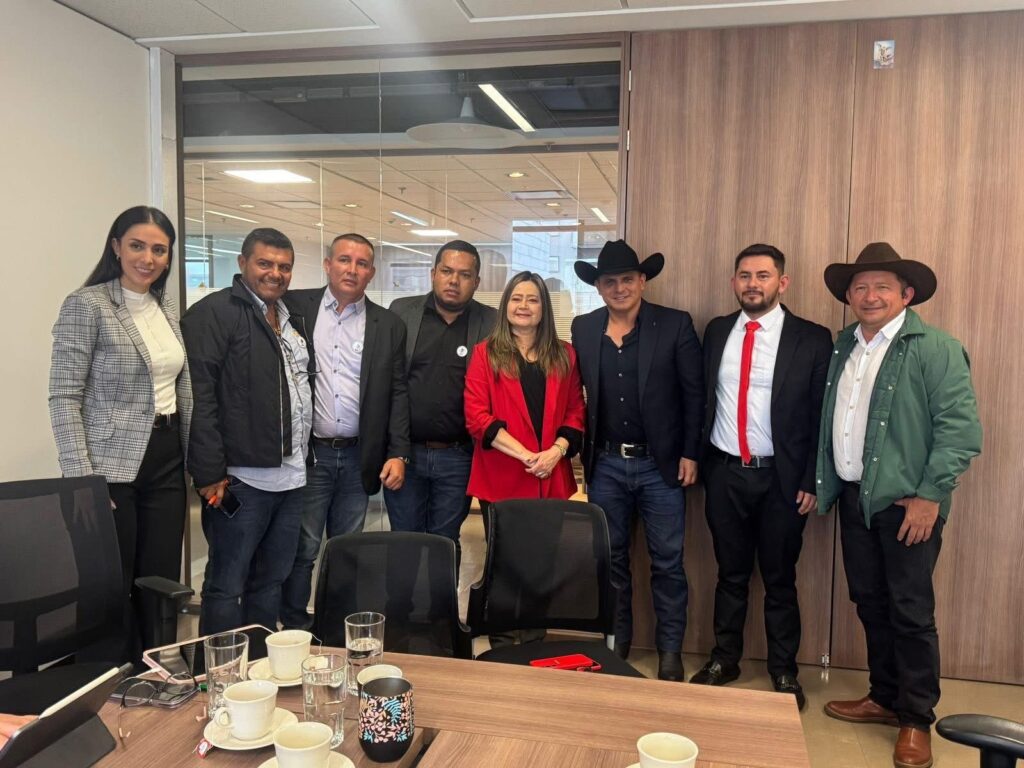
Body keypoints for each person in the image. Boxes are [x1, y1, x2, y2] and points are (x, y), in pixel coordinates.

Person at [817, 242, 981, 768]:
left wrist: (930, 496)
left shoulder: (936, 348)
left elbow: (960, 431)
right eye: (860, 287)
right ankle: (884, 696)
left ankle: (915, 719)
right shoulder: (844, 345)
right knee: (869, 602)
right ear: (849, 296)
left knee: (910, 611)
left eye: (882, 287)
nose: (870, 296)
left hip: (909, 505)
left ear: (906, 295)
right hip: (854, 498)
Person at [690, 244, 832, 709]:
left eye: (763, 276)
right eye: (745, 275)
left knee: (779, 578)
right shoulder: (717, 331)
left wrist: (811, 479)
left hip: (782, 481)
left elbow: (821, 416)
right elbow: (702, 399)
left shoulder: (811, 338)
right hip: (725, 473)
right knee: (729, 574)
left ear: (782, 283)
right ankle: (724, 659)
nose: (753, 284)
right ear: (734, 282)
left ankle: (784, 670)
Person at [49, 206, 192, 662]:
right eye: (137, 246)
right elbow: (64, 395)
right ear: (116, 247)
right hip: (108, 467)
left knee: (159, 579)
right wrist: (82, 478)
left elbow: (177, 386)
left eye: (159, 250)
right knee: (111, 583)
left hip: (166, 456)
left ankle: (154, 671)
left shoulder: (165, 307)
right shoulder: (87, 304)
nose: (147, 258)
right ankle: (109, 680)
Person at [570, 239, 703, 682]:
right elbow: (575, 394)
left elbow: (695, 395)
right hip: (606, 465)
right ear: (599, 287)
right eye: (610, 281)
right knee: (611, 562)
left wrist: (690, 452)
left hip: (660, 467)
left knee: (667, 563)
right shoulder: (584, 328)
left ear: (643, 281)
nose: (620, 288)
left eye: (627, 279)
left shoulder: (675, 324)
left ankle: (670, 652)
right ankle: (618, 643)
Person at [181, 227, 313, 635]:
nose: (276, 273)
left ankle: (259, 663)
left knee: (271, 580)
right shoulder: (213, 314)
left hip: (291, 478)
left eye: (284, 266)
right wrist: (208, 472)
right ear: (242, 263)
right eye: (265, 263)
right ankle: (218, 669)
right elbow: (199, 397)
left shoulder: (289, 316)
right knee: (227, 584)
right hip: (241, 480)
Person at [279, 233, 410, 630]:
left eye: (361, 263)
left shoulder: (388, 325)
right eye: (344, 260)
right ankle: (295, 627)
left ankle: (337, 628)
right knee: (302, 547)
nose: (352, 269)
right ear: (327, 264)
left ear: (371, 272)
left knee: (347, 549)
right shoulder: (294, 308)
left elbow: (397, 391)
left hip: (359, 456)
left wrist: (398, 452)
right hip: (310, 455)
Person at [464, 271, 585, 646]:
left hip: (551, 476)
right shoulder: (485, 354)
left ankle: (534, 639)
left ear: (544, 308)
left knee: (543, 564)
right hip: (503, 477)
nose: (524, 306)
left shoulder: (564, 354)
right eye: (517, 298)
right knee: (504, 563)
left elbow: (575, 411)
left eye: (532, 299)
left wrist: (554, 453)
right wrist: (528, 456)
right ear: (505, 305)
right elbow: (476, 416)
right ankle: (501, 643)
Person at [386, 240, 497, 565]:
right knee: (404, 541)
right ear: (433, 273)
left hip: (459, 456)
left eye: (464, 274)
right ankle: (403, 602)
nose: (454, 280)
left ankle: (442, 601)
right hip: (406, 454)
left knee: (446, 542)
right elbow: (390, 384)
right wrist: (395, 450)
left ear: (476, 282)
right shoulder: (401, 313)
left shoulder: (491, 322)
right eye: (447, 271)